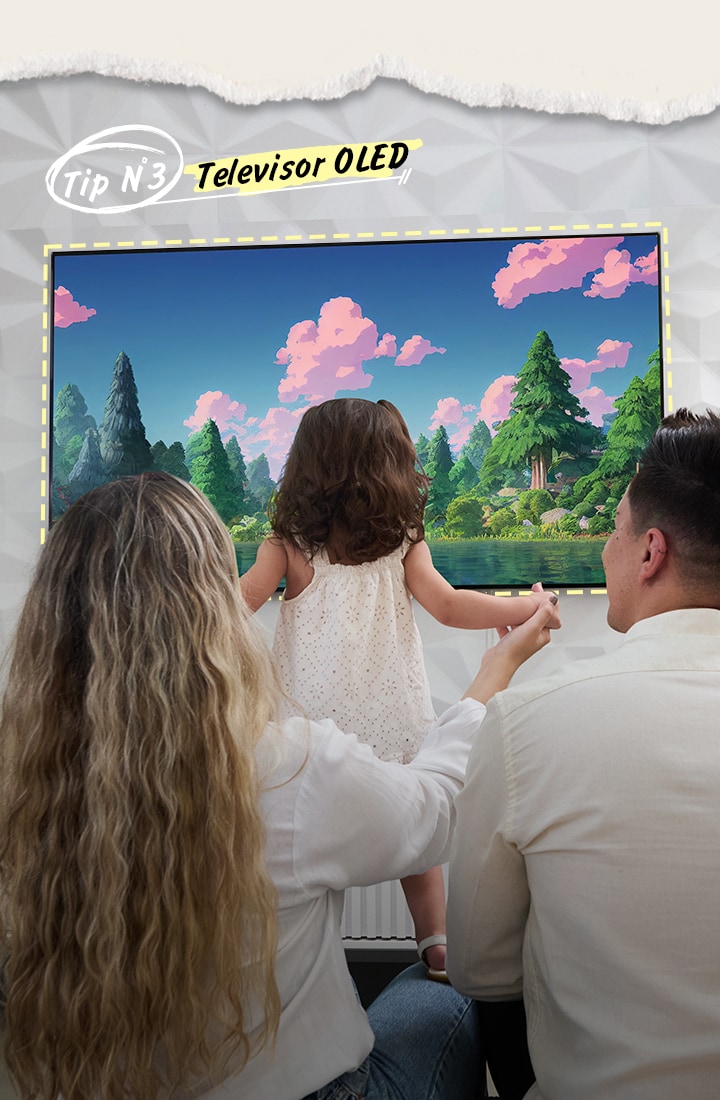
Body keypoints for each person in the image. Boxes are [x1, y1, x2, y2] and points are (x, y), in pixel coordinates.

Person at [0, 471, 560, 1100]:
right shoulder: (287, 767)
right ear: (208, 613)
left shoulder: (19, 784)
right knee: (455, 997)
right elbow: (433, 813)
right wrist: (496, 671)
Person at [446, 407, 720, 1100]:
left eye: (616, 531)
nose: (605, 548)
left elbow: (480, 973)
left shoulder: (526, 724)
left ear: (651, 552)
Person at [240, 396, 554, 980]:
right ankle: (435, 942)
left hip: (307, 729)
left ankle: (304, 962)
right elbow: (452, 606)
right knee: (420, 836)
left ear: (305, 467)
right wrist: (528, 605)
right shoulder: (404, 540)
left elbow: (237, 603)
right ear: (389, 468)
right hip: (392, 715)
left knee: (297, 844)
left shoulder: (287, 544)